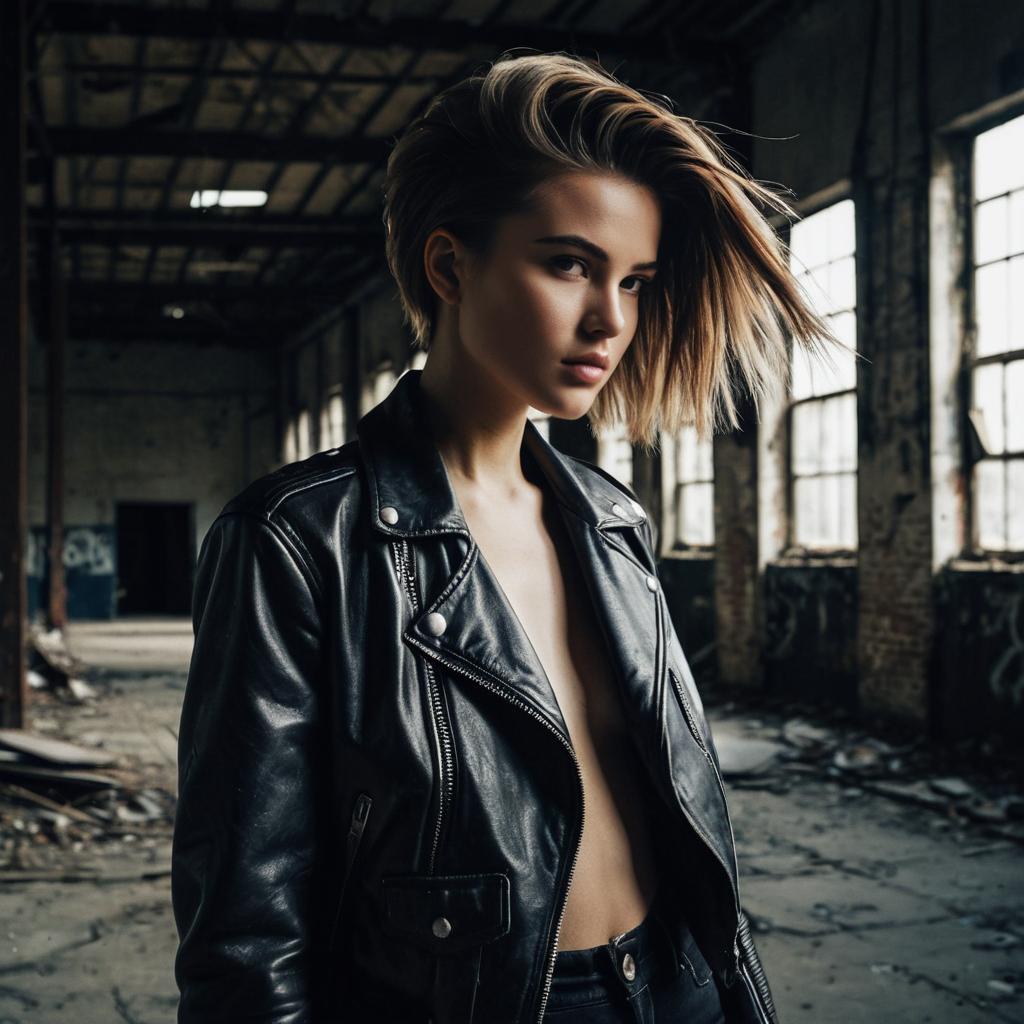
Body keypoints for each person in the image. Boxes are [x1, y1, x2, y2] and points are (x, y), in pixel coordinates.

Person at [172, 51, 844, 1024]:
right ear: (450, 264)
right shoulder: (298, 539)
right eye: (568, 263)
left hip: (679, 981)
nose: (608, 319)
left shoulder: (611, 521)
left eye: (637, 280)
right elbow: (244, 927)